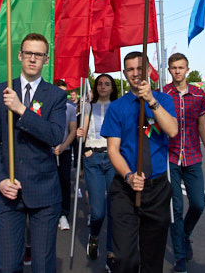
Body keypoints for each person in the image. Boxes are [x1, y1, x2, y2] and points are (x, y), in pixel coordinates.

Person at [0, 33, 67, 273]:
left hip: (44, 193)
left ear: (46, 59)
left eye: (38, 54)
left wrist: (21, 110)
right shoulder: (2, 91)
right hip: (9, 192)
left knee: (42, 266)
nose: (32, 59)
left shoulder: (56, 95)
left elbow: (55, 136)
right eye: (28, 53)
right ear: (19, 56)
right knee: (8, 266)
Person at [100, 52, 178, 273]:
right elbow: (113, 150)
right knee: (125, 260)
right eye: (130, 69)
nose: (135, 73)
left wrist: (151, 101)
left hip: (157, 189)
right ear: (125, 74)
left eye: (139, 68)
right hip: (126, 189)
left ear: (149, 71)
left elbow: (172, 130)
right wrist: (128, 176)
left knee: (153, 261)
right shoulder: (117, 107)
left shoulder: (163, 100)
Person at [164, 52, 205, 273]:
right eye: (173, 67)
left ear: (187, 69)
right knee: (175, 208)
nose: (177, 71)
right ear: (169, 70)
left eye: (181, 67)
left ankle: (184, 234)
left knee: (198, 204)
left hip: (193, 156)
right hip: (171, 158)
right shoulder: (163, 94)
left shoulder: (198, 94)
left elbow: (202, 125)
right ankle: (180, 256)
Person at [76, 74, 119, 267]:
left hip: (112, 158)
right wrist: (81, 138)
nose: (103, 87)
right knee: (98, 211)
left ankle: (111, 252)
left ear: (112, 87)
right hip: (92, 158)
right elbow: (83, 131)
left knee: (113, 209)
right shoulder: (88, 106)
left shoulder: (117, 107)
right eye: (100, 84)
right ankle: (94, 236)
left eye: (107, 84)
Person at [53, 80, 77, 232]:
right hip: (48, 151)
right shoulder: (45, 106)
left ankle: (64, 213)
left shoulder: (70, 108)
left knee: (64, 181)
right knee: (49, 183)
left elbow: (73, 130)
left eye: (64, 92)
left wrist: (63, 147)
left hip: (64, 151)